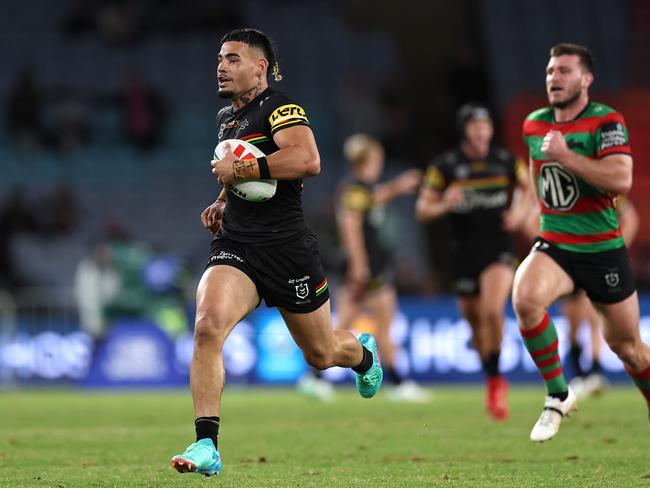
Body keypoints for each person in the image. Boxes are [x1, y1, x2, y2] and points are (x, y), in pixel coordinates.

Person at [169, 29, 383, 477]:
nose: (221, 67)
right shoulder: (227, 119)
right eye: (219, 59)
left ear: (259, 68)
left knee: (322, 355)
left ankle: (361, 353)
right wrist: (223, 200)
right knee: (208, 326)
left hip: (287, 250)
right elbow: (242, 177)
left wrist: (242, 167)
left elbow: (307, 160)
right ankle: (206, 442)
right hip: (237, 245)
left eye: (232, 59)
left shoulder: (281, 108)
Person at [514, 43, 650, 442]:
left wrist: (567, 155)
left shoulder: (607, 122)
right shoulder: (534, 124)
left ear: (586, 79)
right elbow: (538, 177)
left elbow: (621, 180)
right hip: (555, 242)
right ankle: (558, 395)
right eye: (551, 71)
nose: (554, 78)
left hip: (602, 249)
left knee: (627, 349)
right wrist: (531, 208)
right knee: (524, 296)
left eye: (565, 71)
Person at [416, 103, 531, 421]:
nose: (482, 131)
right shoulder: (446, 166)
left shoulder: (506, 161)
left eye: (486, 126)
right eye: (475, 126)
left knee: (493, 310)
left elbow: (528, 187)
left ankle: (497, 383)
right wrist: (444, 203)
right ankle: (490, 373)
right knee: (476, 325)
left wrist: (519, 212)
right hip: (463, 253)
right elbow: (423, 210)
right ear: (465, 131)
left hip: (498, 248)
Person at [299, 134, 429, 402]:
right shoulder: (354, 190)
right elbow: (351, 228)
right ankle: (396, 382)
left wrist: (399, 186)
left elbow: (377, 197)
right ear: (369, 159)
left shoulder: (362, 190)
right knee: (357, 323)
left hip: (372, 267)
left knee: (366, 322)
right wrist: (360, 268)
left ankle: (393, 381)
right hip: (365, 270)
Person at [564, 197, 640, 398]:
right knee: (572, 325)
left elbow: (631, 218)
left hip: (596, 260)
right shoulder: (561, 193)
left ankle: (595, 371)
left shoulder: (603, 188)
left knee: (593, 317)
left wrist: (617, 249)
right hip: (568, 259)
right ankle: (579, 375)